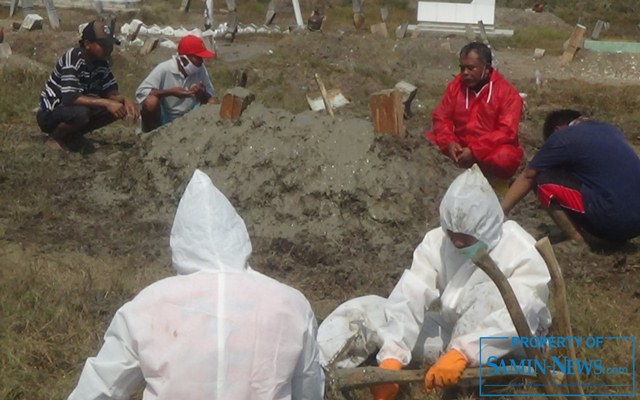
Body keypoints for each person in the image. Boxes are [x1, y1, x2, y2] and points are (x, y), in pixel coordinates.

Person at [67, 169, 325, 400]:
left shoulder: (148, 306)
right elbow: (309, 388)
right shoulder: (290, 304)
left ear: (181, 241)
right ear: (236, 233)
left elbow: (101, 386)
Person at [316, 165, 551, 400]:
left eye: (466, 237)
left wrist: (464, 353)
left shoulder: (520, 248)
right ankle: (319, 375)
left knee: (487, 297)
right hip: (454, 336)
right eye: (452, 234)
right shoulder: (437, 241)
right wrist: (392, 356)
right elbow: (412, 293)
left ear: (487, 228)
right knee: (366, 310)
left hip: (510, 347)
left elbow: (523, 312)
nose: (457, 243)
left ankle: (467, 387)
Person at [502, 109, 640, 245]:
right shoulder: (610, 130)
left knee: (542, 180)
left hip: (615, 218)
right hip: (635, 223)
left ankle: (575, 239)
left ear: (557, 130)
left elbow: (529, 175)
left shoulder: (563, 137)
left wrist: (502, 211)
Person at [424, 42, 524, 191]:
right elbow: (441, 117)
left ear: (487, 69)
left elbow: (507, 131)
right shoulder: (455, 86)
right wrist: (449, 142)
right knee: (427, 143)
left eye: (471, 68)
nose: (464, 73)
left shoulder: (506, 93)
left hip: (488, 151)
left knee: (504, 157)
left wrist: (475, 151)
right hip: (459, 147)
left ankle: (494, 185)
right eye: (462, 68)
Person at [37, 20, 139, 151]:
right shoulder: (74, 57)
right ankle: (55, 137)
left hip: (76, 109)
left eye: (110, 45)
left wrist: (124, 100)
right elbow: (70, 97)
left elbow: (111, 92)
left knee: (116, 109)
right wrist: (107, 103)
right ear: (87, 44)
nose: (109, 49)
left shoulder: (102, 63)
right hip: (52, 112)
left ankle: (73, 136)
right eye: (103, 45)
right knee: (82, 113)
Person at [135, 35, 217, 133]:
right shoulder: (164, 69)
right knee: (151, 102)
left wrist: (202, 93)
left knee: (213, 103)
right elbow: (141, 93)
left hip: (190, 115)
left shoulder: (200, 69)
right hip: (165, 115)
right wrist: (170, 92)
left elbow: (210, 96)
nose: (201, 61)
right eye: (198, 57)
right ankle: (151, 136)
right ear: (184, 58)